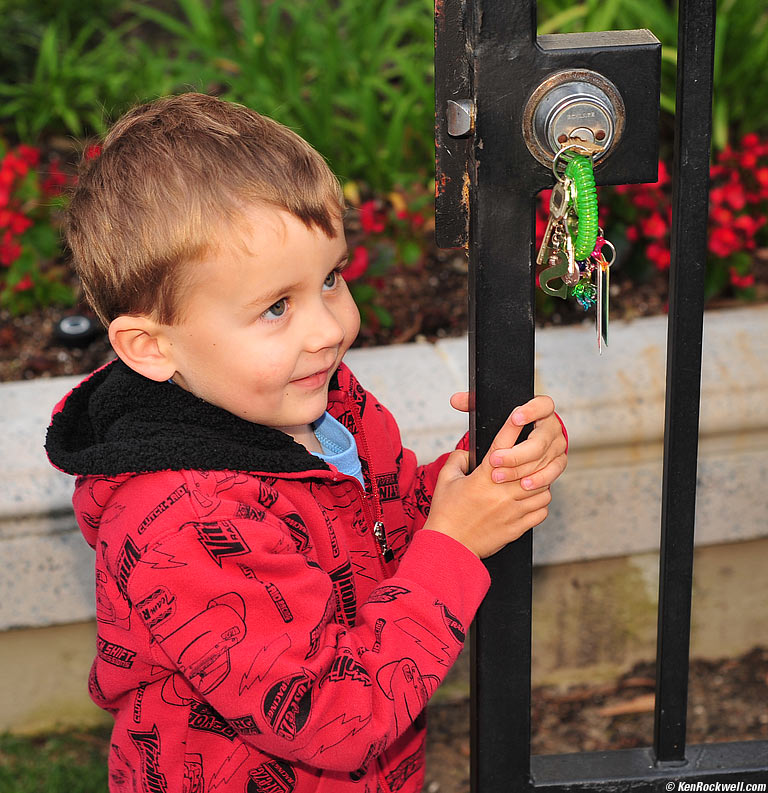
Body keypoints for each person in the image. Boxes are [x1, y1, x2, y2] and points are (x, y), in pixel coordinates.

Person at [45, 92, 568, 793]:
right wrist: (455, 544)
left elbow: (382, 526)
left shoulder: (324, 401)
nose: (327, 328)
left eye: (330, 278)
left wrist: (475, 480)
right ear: (151, 345)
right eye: (276, 307)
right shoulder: (183, 522)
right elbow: (334, 717)